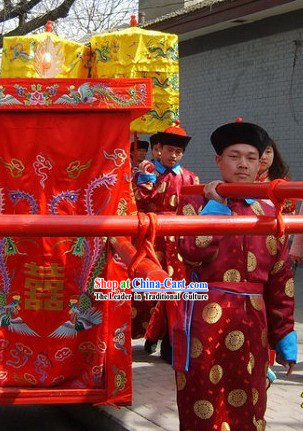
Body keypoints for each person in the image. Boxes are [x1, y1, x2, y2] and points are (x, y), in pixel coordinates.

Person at [173, 121, 297, 431]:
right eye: (234, 156)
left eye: (251, 158)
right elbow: (190, 251)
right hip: (204, 317)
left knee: (250, 398)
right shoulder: (195, 201)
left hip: (252, 321)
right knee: (203, 396)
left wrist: (284, 333)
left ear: (261, 162)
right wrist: (215, 208)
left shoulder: (269, 212)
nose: (243, 164)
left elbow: (281, 279)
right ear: (219, 160)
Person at [131, 122, 199, 351]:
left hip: (179, 239)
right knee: (148, 287)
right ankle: (149, 335)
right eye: (170, 150)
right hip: (152, 236)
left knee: (177, 288)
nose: (174, 155)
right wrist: (144, 180)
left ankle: (170, 337)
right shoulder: (148, 172)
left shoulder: (190, 177)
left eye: (179, 152)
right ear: (159, 149)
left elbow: (194, 209)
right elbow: (137, 201)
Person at [256, 138, 295, 214]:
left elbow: (288, 214)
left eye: (268, 152)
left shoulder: (282, 182)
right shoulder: (239, 180)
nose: (263, 157)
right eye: (259, 152)